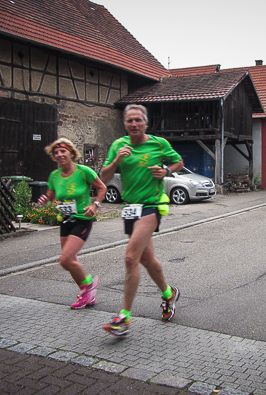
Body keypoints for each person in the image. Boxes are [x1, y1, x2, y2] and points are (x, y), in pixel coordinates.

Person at [101, 104, 184, 336]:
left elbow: (179, 162)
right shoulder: (118, 145)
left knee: (131, 257)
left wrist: (166, 171)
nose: (134, 124)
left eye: (138, 120)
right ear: (125, 124)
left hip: (151, 206)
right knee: (147, 260)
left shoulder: (158, 144)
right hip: (130, 208)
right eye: (130, 120)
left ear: (146, 123)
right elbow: (104, 177)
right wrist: (117, 160)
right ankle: (169, 294)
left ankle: (124, 318)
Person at [38, 138, 107, 310]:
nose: (59, 155)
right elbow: (50, 198)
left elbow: (102, 188)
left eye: (63, 151)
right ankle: (87, 294)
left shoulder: (83, 171)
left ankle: (88, 286)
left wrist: (95, 206)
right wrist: (45, 201)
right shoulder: (54, 176)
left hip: (82, 219)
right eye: (56, 152)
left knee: (65, 260)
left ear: (71, 153)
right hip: (66, 220)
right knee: (70, 261)